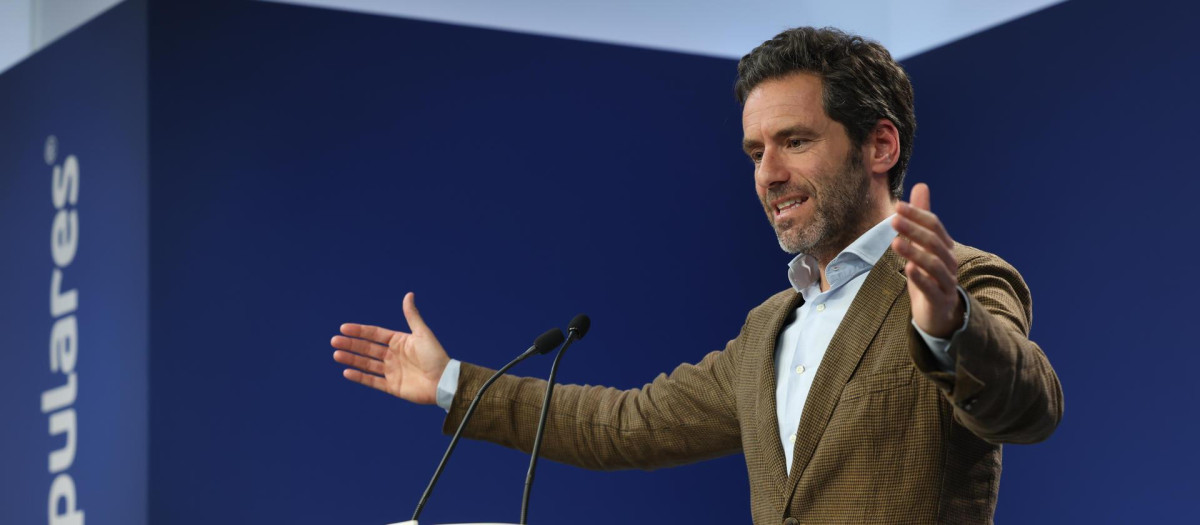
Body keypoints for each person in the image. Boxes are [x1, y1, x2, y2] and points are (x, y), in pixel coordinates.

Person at [331, 26, 1063, 524]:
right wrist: (456, 381)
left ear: (879, 145)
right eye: (754, 152)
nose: (769, 174)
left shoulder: (962, 280)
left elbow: (1029, 405)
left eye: (794, 141)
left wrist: (951, 329)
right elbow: (626, 425)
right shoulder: (770, 327)